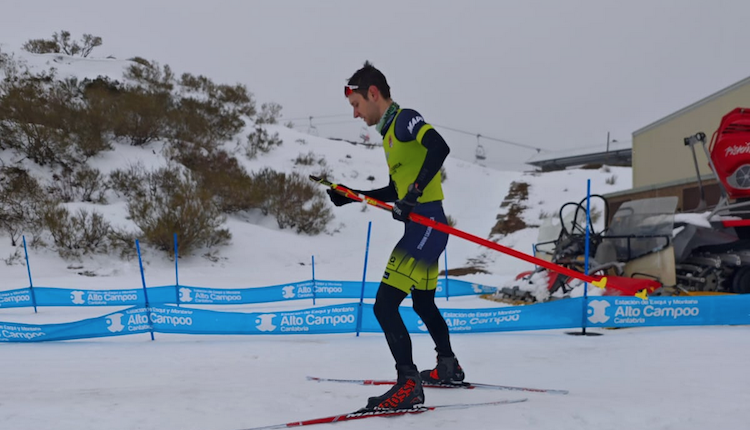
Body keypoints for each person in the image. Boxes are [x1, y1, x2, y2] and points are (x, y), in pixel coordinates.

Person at [327, 61, 464, 410]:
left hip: (427, 226)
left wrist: (414, 194)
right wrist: (353, 193)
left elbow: (439, 147)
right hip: (426, 227)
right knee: (422, 302)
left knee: (385, 305)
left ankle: (408, 384)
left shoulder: (405, 119)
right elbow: (394, 188)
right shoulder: (390, 136)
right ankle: (447, 366)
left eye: (357, 105)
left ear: (373, 94)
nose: (356, 114)